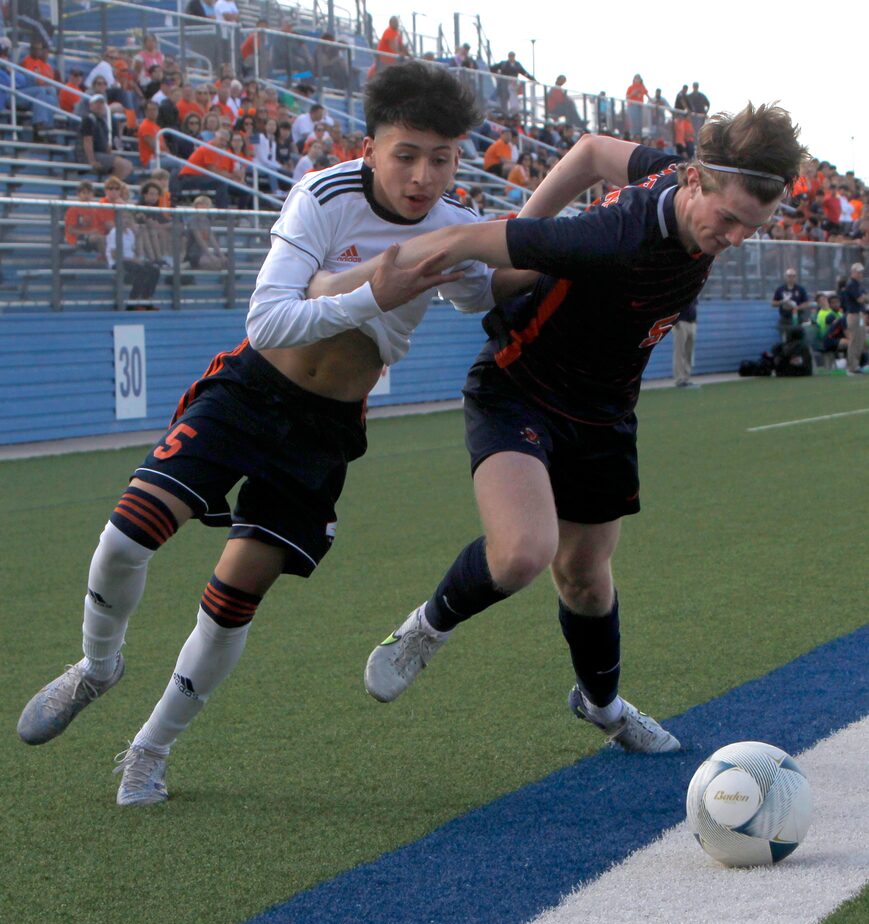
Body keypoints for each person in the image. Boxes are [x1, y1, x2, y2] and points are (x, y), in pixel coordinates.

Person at [16, 62, 529, 807]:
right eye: (406, 154)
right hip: (251, 392)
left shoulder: (451, 227)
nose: (422, 176)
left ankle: (149, 751)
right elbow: (268, 320)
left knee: (232, 598)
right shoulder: (322, 194)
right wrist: (367, 292)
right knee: (125, 538)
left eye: (442, 159)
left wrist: (524, 265)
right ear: (370, 146)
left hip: (324, 432)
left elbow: (478, 295)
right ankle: (98, 667)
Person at [324, 102, 806, 754]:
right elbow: (456, 242)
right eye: (728, 219)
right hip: (518, 388)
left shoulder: (685, 178)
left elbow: (586, 151)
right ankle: (426, 628)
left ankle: (601, 706)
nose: (735, 237)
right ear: (694, 182)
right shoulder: (611, 237)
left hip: (605, 411)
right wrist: (330, 290)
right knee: (523, 553)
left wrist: (530, 222)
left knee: (584, 574)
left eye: (753, 226)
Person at [78, 94, 134, 181]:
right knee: (123, 165)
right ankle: (109, 187)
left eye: (101, 103)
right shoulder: (88, 119)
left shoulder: (103, 121)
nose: (99, 106)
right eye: (97, 103)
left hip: (101, 154)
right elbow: (87, 140)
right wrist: (91, 160)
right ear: (91, 106)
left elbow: (106, 143)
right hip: (89, 155)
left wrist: (109, 154)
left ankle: (110, 186)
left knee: (128, 165)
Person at [842, 262, 869, 375]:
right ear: (853, 272)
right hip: (854, 315)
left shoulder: (858, 284)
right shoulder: (851, 284)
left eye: (861, 272)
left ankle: (856, 365)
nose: (860, 274)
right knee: (854, 341)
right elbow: (860, 299)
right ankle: (851, 367)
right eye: (858, 272)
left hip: (860, 314)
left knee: (860, 341)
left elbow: (864, 297)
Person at [771, 267, 811, 339]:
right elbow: (773, 303)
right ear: (785, 277)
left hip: (797, 318)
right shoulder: (780, 289)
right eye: (789, 276)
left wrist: (797, 307)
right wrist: (782, 302)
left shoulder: (800, 289)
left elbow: (807, 303)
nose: (791, 278)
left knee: (798, 338)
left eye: (793, 276)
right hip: (785, 318)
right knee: (786, 338)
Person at [672, 298, 698, 387]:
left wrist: (695, 322)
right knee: (680, 352)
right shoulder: (680, 291)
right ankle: (679, 379)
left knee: (689, 353)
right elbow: (672, 306)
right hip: (681, 323)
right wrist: (675, 322)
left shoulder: (694, 291)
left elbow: (695, 305)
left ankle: (686, 378)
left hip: (692, 323)